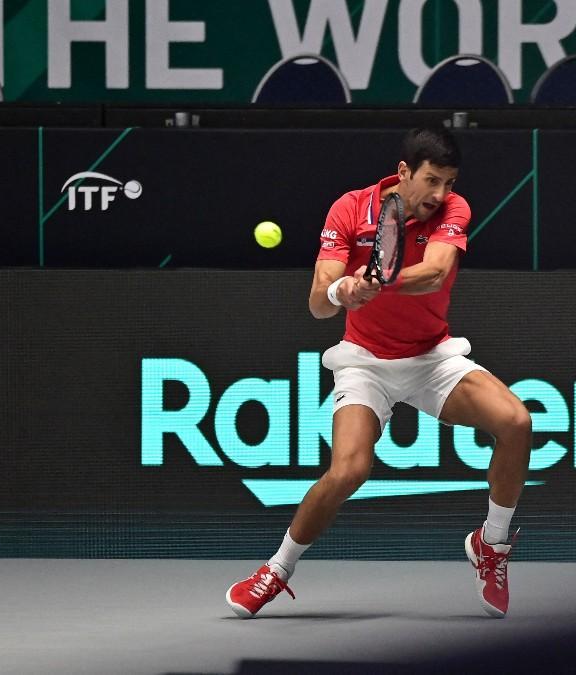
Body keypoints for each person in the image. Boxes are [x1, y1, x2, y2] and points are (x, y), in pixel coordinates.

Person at [225, 127, 532, 619]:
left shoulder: (454, 210)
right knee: (349, 470)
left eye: (449, 182)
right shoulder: (349, 209)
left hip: (432, 357)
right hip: (365, 362)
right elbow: (318, 302)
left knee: (516, 422)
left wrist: (379, 281)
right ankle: (276, 571)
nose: (440, 194)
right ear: (404, 172)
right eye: (432, 180)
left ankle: (490, 545)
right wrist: (340, 292)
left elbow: (433, 272)